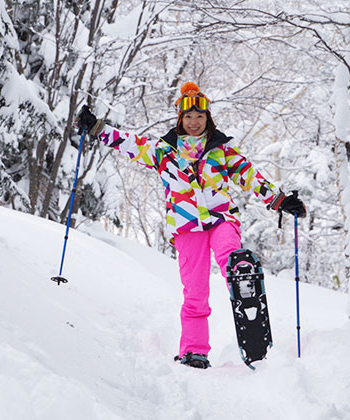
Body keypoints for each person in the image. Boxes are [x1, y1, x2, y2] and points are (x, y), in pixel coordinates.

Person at [76, 82, 306, 369]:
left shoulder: (221, 150)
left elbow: (250, 176)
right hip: (187, 227)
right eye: (188, 117)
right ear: (180, 119)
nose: (194, 122)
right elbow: (130, 143)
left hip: (221, 218)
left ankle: (241, 276)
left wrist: (280, 200)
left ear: (207, 118)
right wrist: (97, 128)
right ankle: (194, 351)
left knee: (230, 255)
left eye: (199, 116)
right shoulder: (163, 151)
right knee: (195, 292)